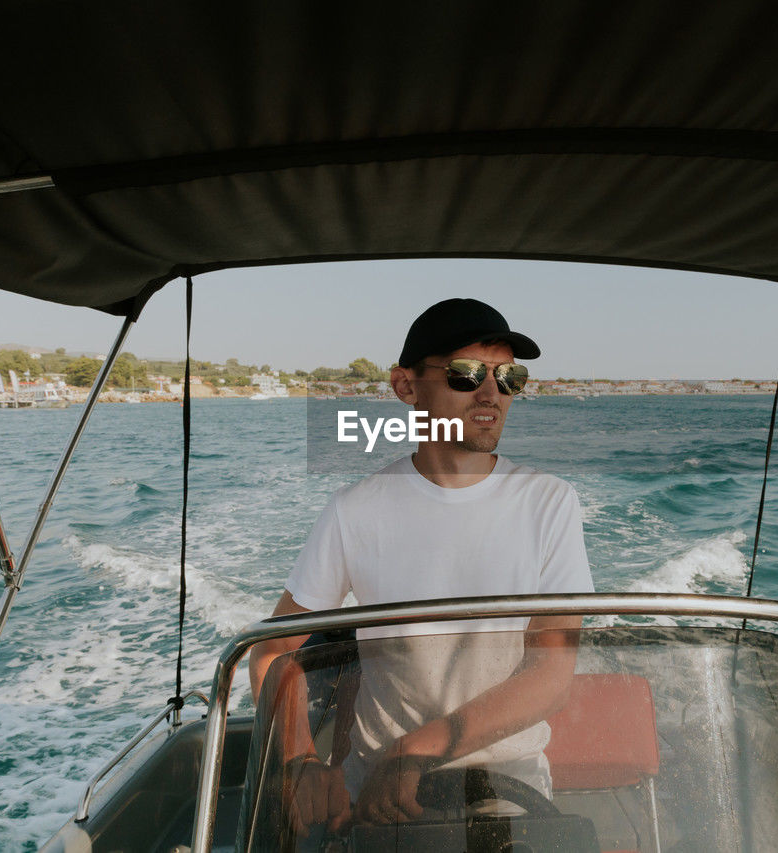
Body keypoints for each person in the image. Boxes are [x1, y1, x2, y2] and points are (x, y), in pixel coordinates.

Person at [247, 298, 594, 837]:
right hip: (381, 799)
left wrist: (413, 752)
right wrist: (300, 763)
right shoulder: (354, 511)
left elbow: (552, 677)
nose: (490, 393)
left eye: (508, 377)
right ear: (405, 387)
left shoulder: (550, 503)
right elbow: (272, 651)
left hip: (507, 785)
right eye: (466, 374)